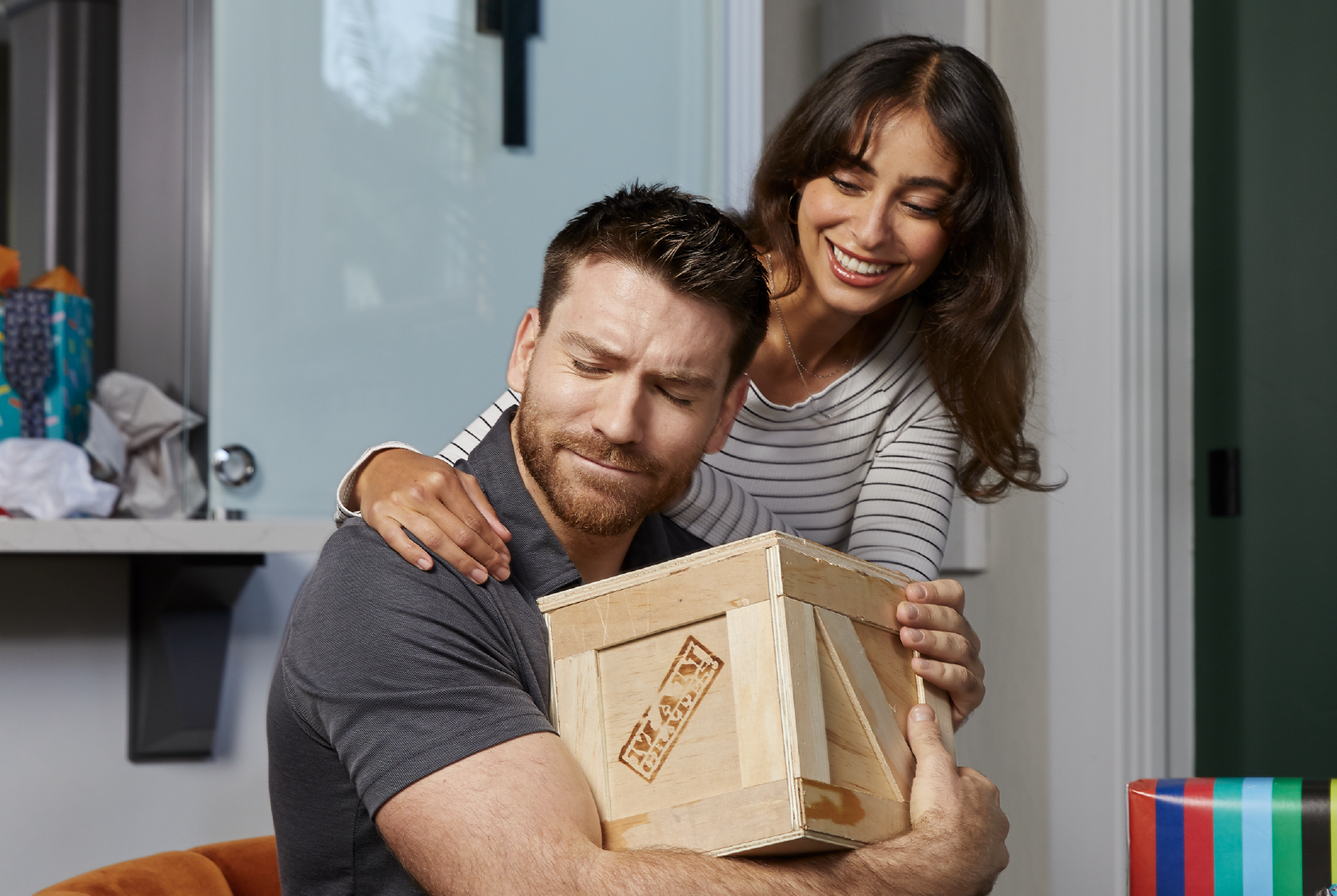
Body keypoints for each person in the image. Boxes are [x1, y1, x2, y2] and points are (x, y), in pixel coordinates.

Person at [269, 185, 1008, 896]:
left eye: (676, 392)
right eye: (591, 365)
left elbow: (843, 812)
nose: (620, 422)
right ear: (526, 352)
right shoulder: (392, 582)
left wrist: (916, 691)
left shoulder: (707, 579)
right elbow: (553, 888)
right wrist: (915, 877)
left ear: (724, 416)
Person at [335, 35, 1033, 730]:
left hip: (737, 703)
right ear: (800, 178)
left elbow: (879, 631)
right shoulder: (696, 297)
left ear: (962, 228)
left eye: (919, 205)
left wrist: (670, 476)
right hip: (570, 672)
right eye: (849, 183)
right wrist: (377, 473)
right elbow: (510, 460)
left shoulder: (926, 381)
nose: (871, 229)